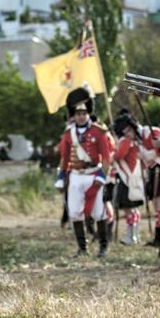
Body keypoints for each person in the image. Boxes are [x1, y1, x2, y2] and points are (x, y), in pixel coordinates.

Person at [55, 88, 112, 257]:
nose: (81, 116)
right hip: (76, 176)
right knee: (74, 212)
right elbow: (64, 158)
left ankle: (103, 246)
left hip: (94, 174)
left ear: (88, 113)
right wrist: (61, 176)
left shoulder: (98, 131)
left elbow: (107, 157)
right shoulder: (68, 133)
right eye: (78, 113)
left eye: (84, 113)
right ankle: (82, 248)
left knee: (98, 212)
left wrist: (102, 176)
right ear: (74, 114)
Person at [112, 111, 145, 246]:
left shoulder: (125, 141)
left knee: (128, 209)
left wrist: (113, 152)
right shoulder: (132, 141)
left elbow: (118, 156)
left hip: (127, 178)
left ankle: (131, 236)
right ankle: (134, 235)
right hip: (132, 177)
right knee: (133, 209)